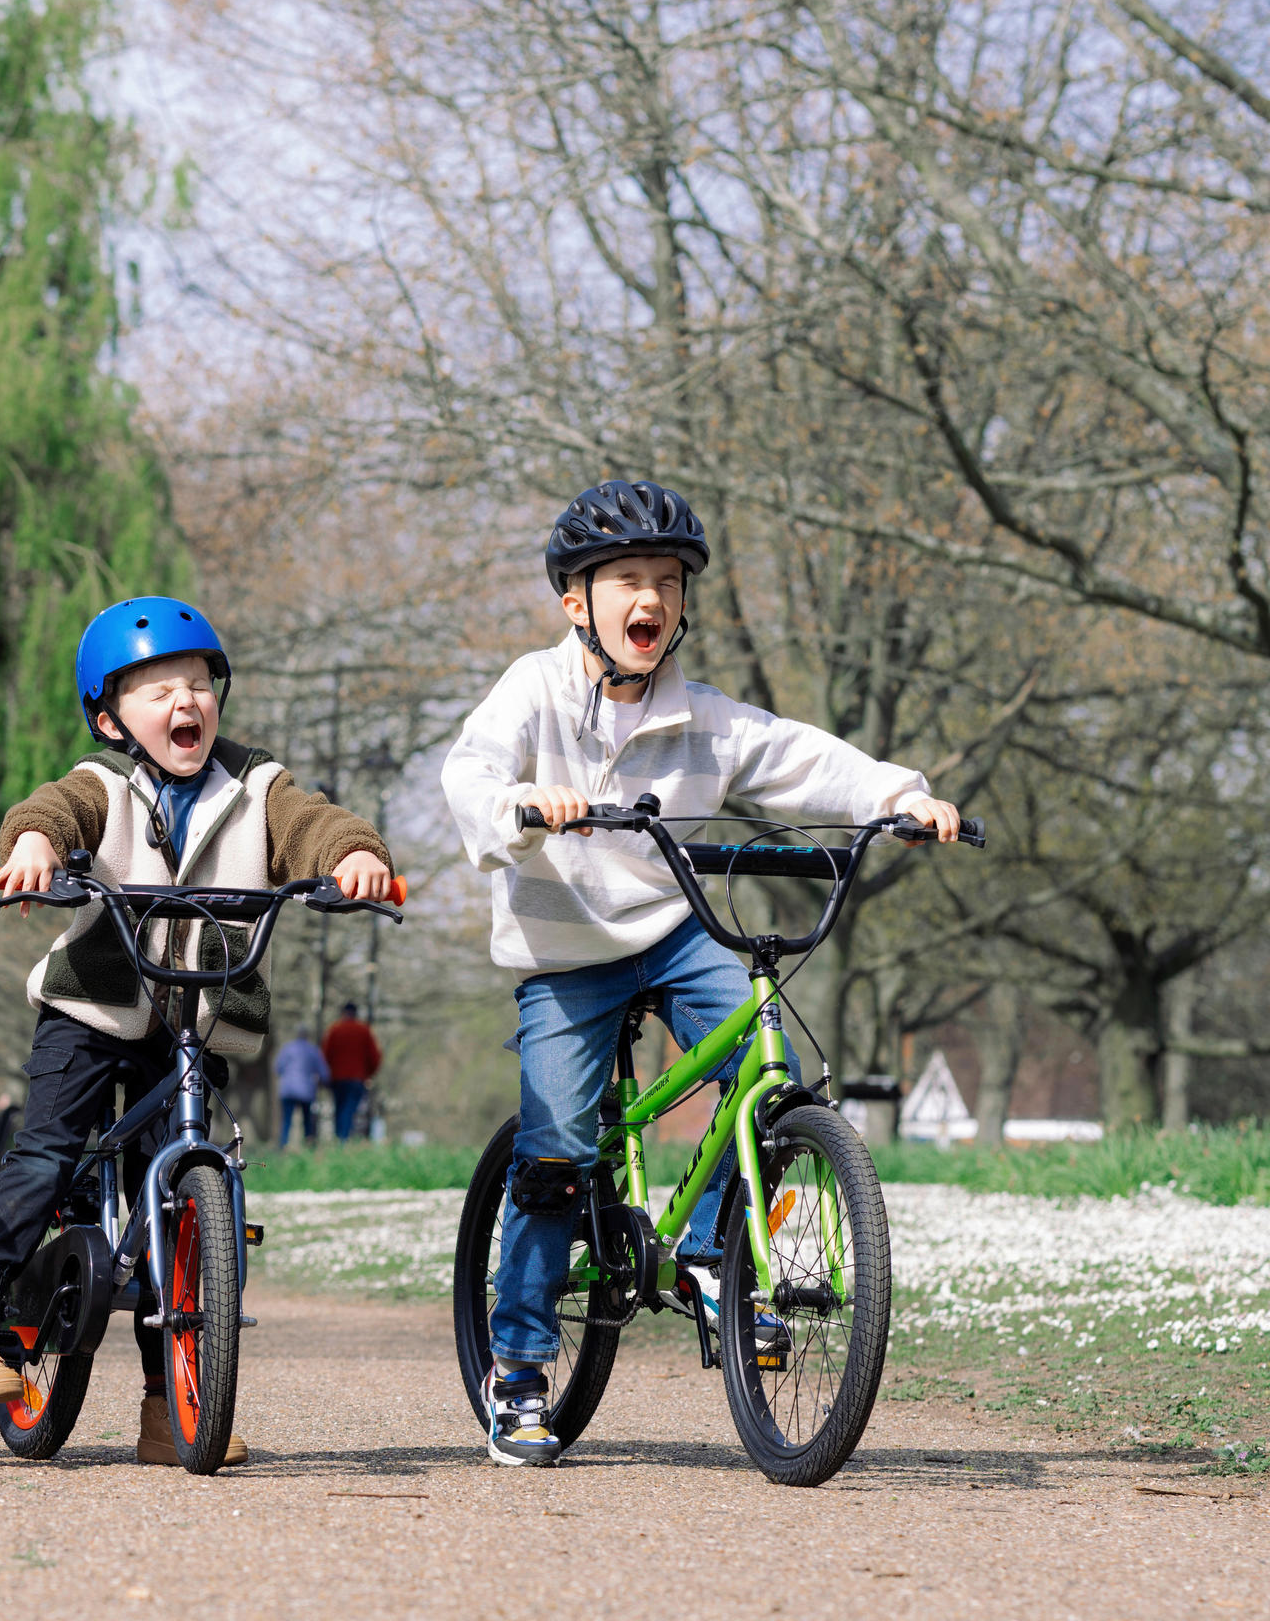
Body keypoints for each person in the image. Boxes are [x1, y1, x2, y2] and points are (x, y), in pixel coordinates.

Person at [440, 480, 960, 1467]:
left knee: (769, 1079)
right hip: (563, 951)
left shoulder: (703, 719)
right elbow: (465, 775)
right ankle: (515, 1371)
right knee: (554, 1152)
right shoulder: (530, 691)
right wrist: (520, 805)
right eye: (626, 580)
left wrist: (900, 795)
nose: (649, 599)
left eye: (666, 583)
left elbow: (805, 762)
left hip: (668, 932)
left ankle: (703, 1253)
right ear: (574, 602)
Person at [0, 597, 398, 1465]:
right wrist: (33, 846)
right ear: (111, 718)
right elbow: (54, 811)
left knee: (171, 1198)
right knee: (47, 1152)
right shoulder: (104, 784)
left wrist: (352, 855)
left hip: (197, 1018)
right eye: (157, 690)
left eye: (197, 684)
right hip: (93, 1010)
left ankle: (165, 1405)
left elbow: (311, 824)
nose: (185, 701)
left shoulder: (257, 784)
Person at [322, 1002, 382, 1141]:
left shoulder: (335, 1030)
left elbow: (325, 1055)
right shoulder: (364, 1031)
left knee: (339, 1108)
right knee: (350, 1108)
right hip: (357, 1078)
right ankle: (343, 1138)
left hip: (337, 1078)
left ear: (343, 1013)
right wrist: (368, 1074)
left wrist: (327, 1074)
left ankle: (340, 1138)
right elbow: (375, 1057)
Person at [273, 1032, 328, 1145]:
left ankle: (283, 1146)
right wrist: (324, 1082)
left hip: (288, 1090)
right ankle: (308, 1144)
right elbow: (324, 1073)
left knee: (287, 1120)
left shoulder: (287, 1048)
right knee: (307, 1121)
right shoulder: (313, 1050)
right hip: (306, 1090)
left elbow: (278, 1068)